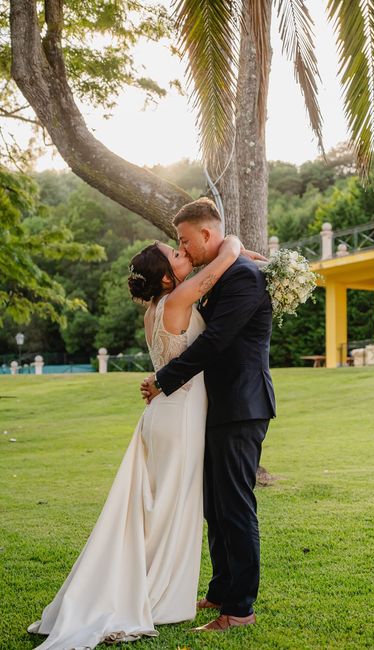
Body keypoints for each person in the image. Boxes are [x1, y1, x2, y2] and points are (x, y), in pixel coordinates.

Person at [27, 234, 244, 649]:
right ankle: (154, 594)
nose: (183, 253)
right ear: (165, 279)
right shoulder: (179, 299)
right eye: (175, 253)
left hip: (162, 414)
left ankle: (146, 585)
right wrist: (231, 242)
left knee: (156, 508)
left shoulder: (154, 309)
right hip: (180, 417)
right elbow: (224, 261)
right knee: (169, 508)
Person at [142, 197, 276, 632]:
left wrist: (164, 379)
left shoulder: (243, 277)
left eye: (184, 240)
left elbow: (215, 340)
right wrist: (233, 247)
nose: (182, 247)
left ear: (205, 233)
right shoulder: (221, 273)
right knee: (215, 507)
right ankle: (219, 590)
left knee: (235, 506)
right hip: (216, 406)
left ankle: (239, 610)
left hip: (241, 404)